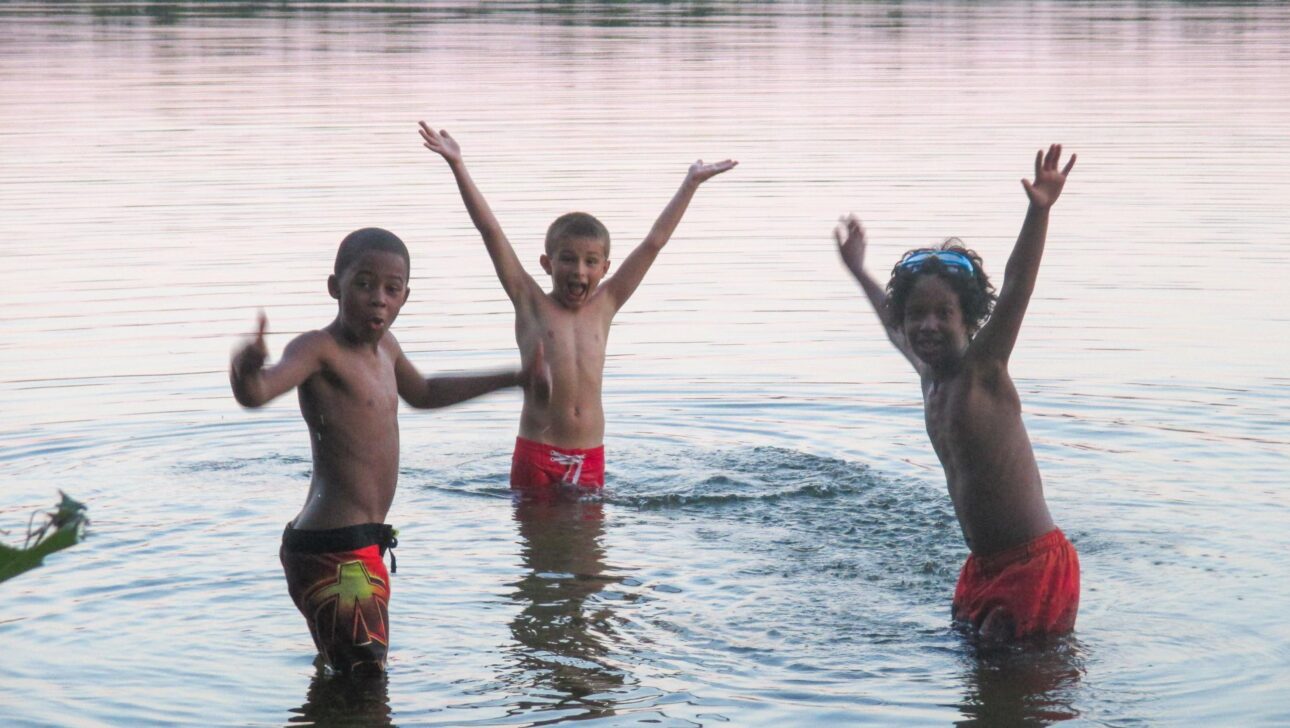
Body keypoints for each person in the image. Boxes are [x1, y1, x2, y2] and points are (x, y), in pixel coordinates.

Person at [229, 227, 547, 676]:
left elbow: (426, 392)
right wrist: (244, 371)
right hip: (335, 553)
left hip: (360, 547)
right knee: (366, 685)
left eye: (391, 289)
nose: (378, 298)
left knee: (347, 680)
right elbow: (259, 392)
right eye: (363, 283)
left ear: (404, 297)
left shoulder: (387, 350)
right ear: (334, 287)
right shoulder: (319, 349)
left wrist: (512, 378)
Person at [835, 145, 1079, 642]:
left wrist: (1039, 209)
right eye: (917, 314)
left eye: (943, 314)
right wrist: (859, 269)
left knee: (1009, 688)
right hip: (985, 564)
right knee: (981, 683)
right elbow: (889, 322)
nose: (927, 326)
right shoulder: (929, 373)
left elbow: (1017, 287)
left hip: (1033, 564)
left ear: (968, 319)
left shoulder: (981, 371)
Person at [419, 121, 735, 500]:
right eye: (568, 259)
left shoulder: (607, 304)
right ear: (547, 263)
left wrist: (690, 184)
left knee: (589, 555)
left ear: (605, 268)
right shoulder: (530, 302)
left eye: (590, 262)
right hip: (536, 454)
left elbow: (654, 243)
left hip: (590, 457)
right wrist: (458, 164)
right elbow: (490, 232)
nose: (579, 271)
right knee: (539, 552)